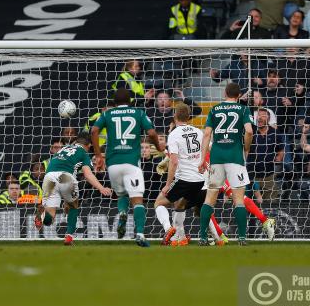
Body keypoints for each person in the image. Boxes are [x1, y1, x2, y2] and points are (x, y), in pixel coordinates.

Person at [91, 88, 164, 247]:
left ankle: (122, 213)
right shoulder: (138, 112)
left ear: (114, 102)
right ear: (130, 101)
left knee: (121, 194)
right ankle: (139, 234)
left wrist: (98, 155)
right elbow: (151, 133)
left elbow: (94, 130)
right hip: (132, 162)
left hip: (113, 163)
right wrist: (158, 146)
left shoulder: (107, 114)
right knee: (137, 200)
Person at [198, 82, 254, 246]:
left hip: (216, 158)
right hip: (235, 157)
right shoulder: (243, 109)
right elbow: (249, 131)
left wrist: (202, 159)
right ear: (238, 96)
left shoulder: (215, 109)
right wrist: (246, 149)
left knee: (210, 198)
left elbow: (207, 133)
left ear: (224, 94)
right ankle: (242, 238)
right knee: (238, 199)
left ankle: (202, 237)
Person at [34, 133, 112, 245]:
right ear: (89, 145)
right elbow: (88, 174)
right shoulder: (83, 153)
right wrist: (101, 187)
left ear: (76, 142)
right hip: (66, 176)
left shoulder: (63, 149)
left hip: (49, 177)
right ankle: (69, 237)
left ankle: (42, 214)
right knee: (73, 206)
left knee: (49, 219)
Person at [154, 104, 209, 246]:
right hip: (200, 180)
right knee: (180, 204)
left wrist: (167, 185)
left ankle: (168, 229)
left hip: (185, 178)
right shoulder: (199, 132)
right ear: (189, 117)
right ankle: (180, 237)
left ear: (175, 116)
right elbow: (206, 151)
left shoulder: (174, 134)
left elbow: (173, 162)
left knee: (159, 203)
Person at [247, 109, 285, 200]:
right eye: (258, 115)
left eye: (263, 115)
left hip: (268, 174)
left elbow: (281, 150)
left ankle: (268, 214)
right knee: (250, 199)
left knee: (272, 198)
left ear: (268, 118)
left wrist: (279, 158)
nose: (259, 117)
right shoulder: (251, 131)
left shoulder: (274, 133)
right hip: (251, 174)